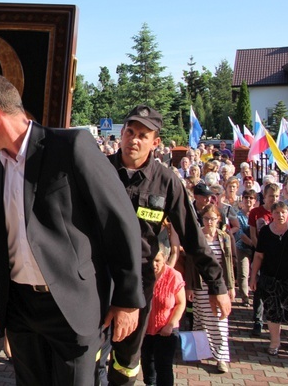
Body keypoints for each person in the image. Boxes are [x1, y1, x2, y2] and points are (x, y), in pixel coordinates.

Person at [0, 74, 145, 386]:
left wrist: (128, 300)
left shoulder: (70, 147)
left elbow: (119, 220)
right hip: (20, 311)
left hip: (73, 309)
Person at [101, 105, 231, 385]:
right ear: (122, 133)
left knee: (126, 359)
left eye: (143, 135)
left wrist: (216, 285)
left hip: (139, 283)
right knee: (88, 353)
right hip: (97, 276)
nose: (133, 140)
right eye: (130, 132)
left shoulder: (167, 181)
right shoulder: (100, 171)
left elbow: (192, 237)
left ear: (155, 142)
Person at [250, 201, 288, 355]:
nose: (280, 215)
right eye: (277, 212)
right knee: (272, 310)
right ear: (272, 214)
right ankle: (275, 341)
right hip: (271, 279)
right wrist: (252, 277)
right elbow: (258, 256)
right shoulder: (265, 232)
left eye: (283, 212)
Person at [186, 204, 235, 373]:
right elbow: (191, 263)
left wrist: (230, 286)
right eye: (206, 218)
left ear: (218, 219)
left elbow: (229, 263)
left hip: (219, 285)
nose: (209, 222)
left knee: (219, 321)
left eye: (213, 219)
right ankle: (196, 350)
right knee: (200, 317)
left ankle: (221, 357)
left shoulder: (225, 237)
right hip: (200, 283)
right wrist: (189, 286)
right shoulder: (197, 236)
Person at [140, 244, 185, 386]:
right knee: (148, 366)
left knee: (163, 366)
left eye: (157, 261)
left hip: (166, 329)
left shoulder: (173, 276)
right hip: (146, 329)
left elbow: (180, 303)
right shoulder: (143, 274)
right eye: (151, 260)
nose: (153, 264)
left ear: (165, 259)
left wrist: (170, 325)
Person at [248, 182, 279, 336]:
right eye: (271, 196)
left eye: (276, 196)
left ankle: (272, 318)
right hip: (259, 254)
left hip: (276, 257)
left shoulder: (281, 212)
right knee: (259, 288)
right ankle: (258, 320)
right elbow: (253, 235)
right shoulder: (256, 212)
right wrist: (260, 250)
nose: (274, 199)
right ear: (264, 197)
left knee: (274, 289)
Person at [233, 190, 257, 306]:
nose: (248, 200)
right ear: (242, 200)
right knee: (243, 272)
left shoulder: (257, 214)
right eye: (246, 197)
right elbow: (239, 233)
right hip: (242, 247)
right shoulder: (238, 215)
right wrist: (251, 242)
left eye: (251, 198)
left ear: (255, 201)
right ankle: (245, 297)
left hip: (257, 248)